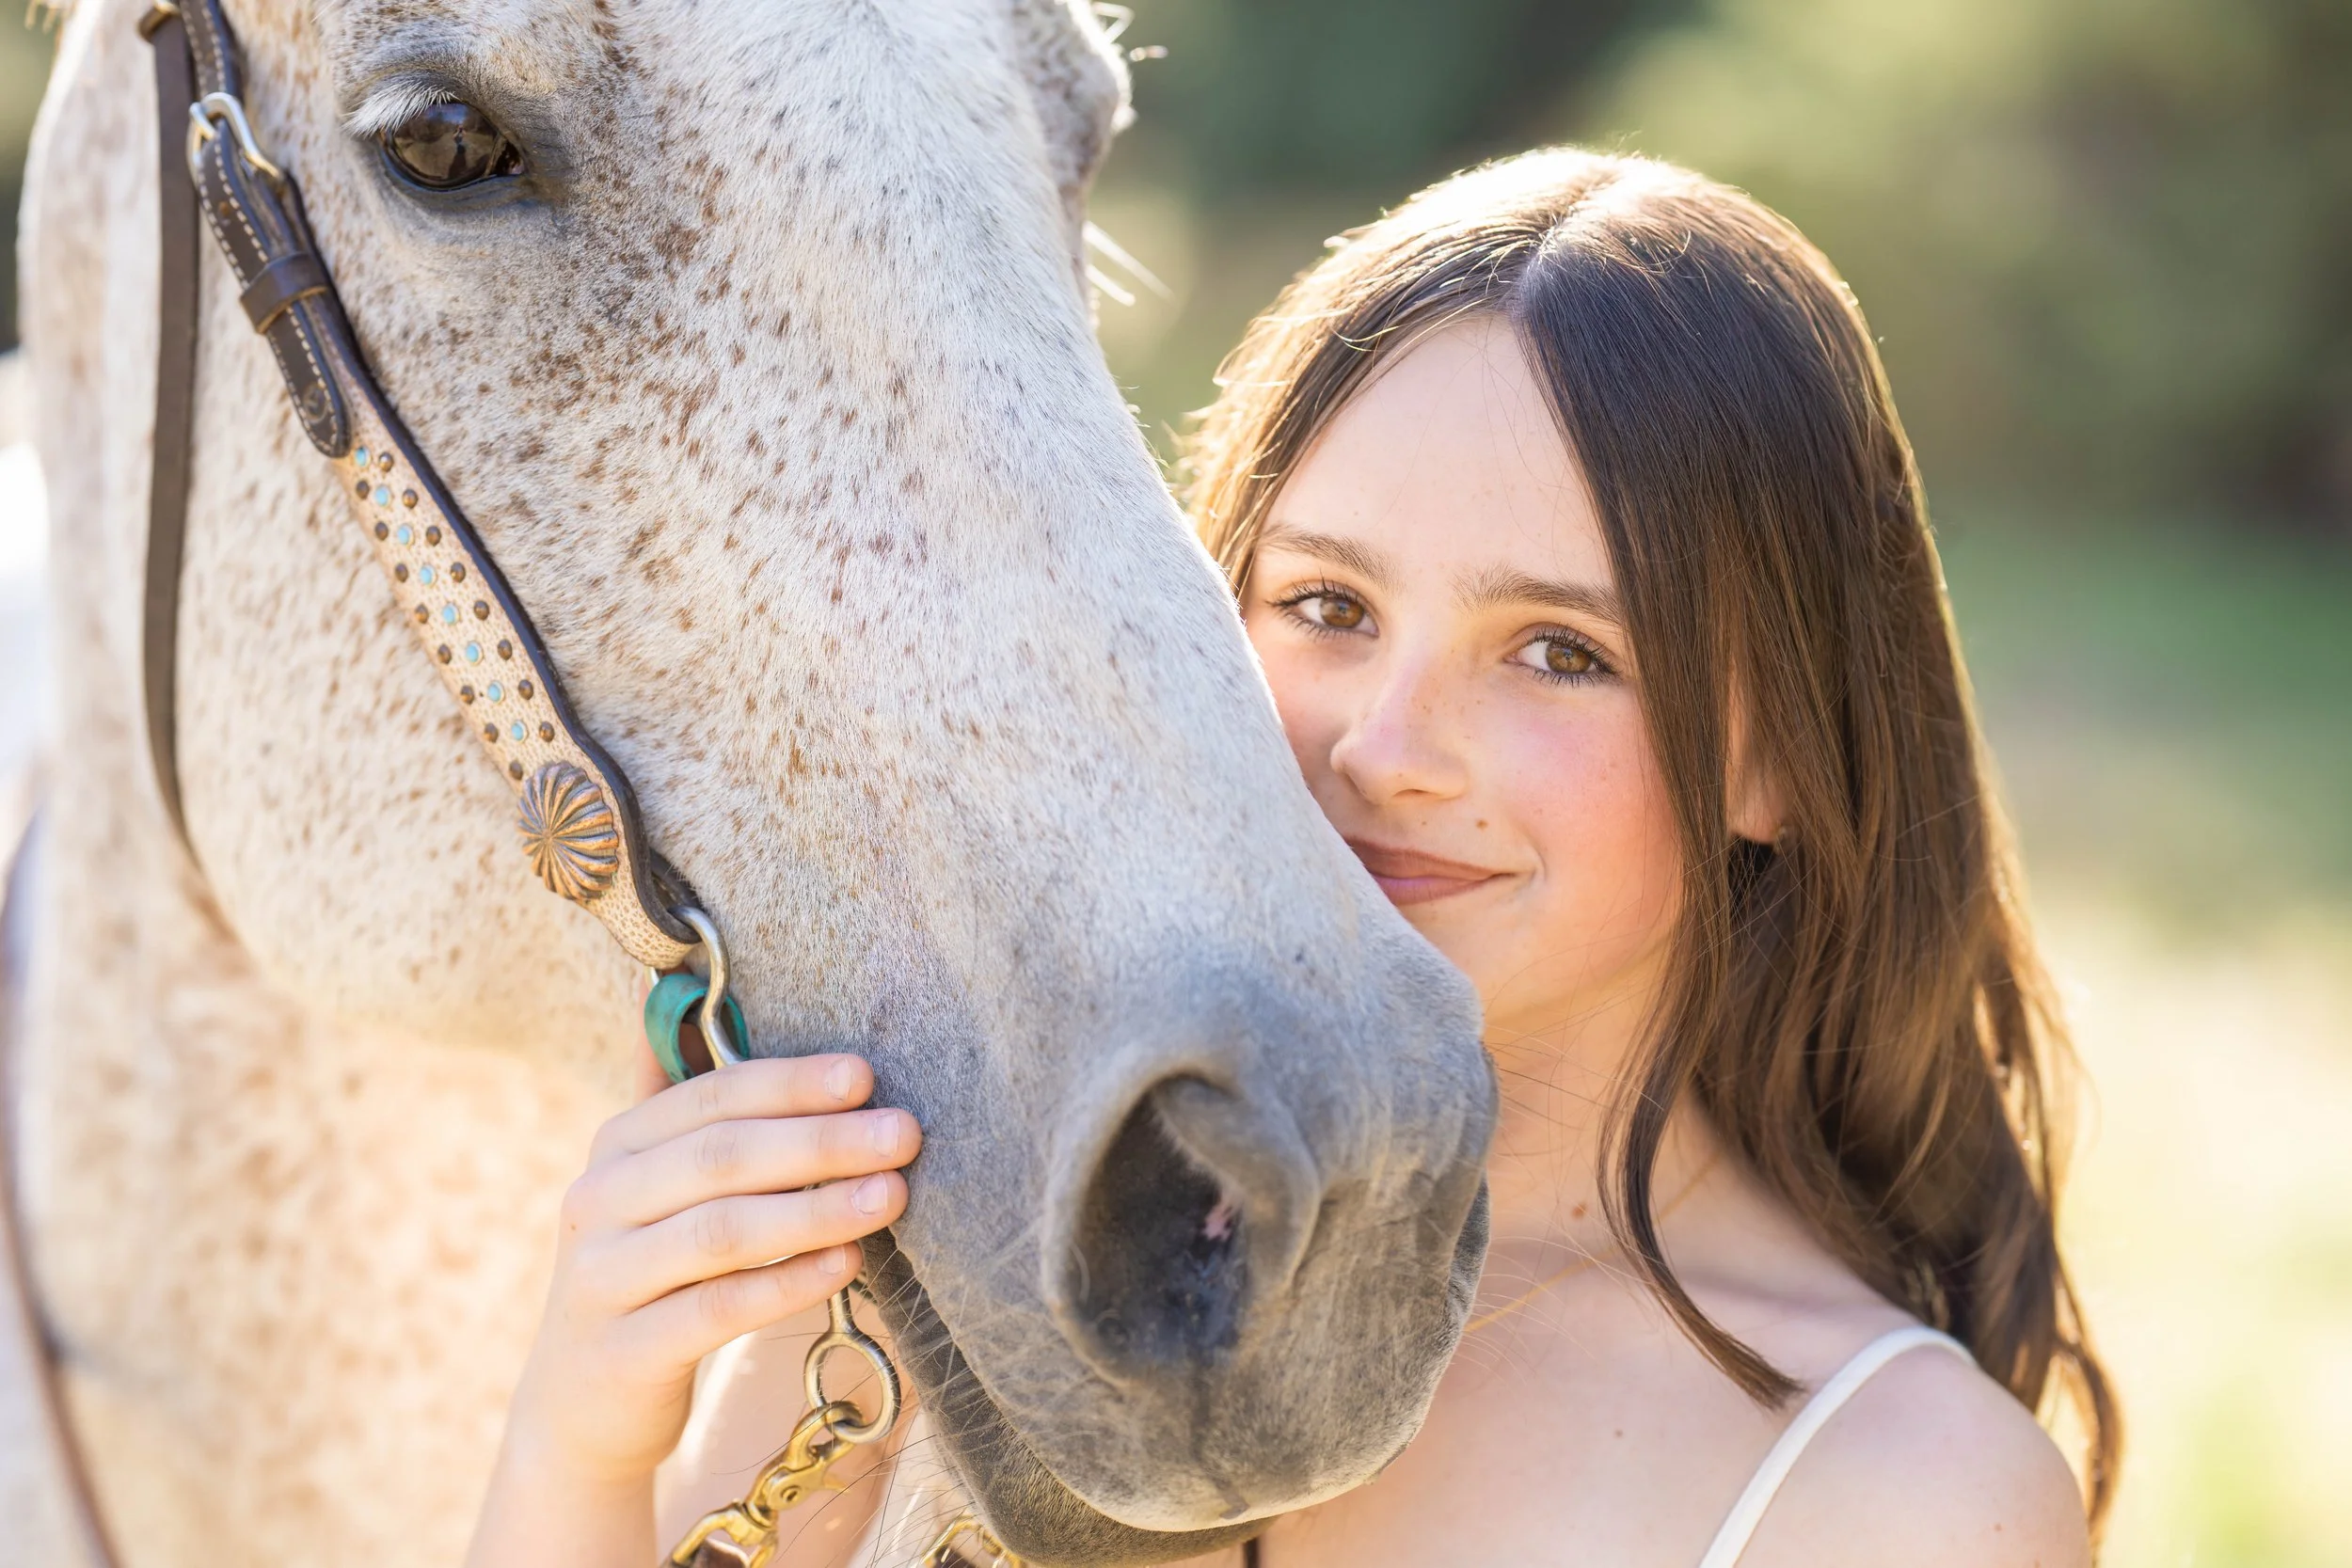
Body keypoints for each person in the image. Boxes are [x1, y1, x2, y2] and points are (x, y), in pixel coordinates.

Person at [466, 148, 2119, 1568]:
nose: (1386, 749)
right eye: (1327, 609)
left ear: (1777, 749)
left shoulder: (1907, 1495)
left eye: (1558, 651)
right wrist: (587, 1443)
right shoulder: (986, 1236)